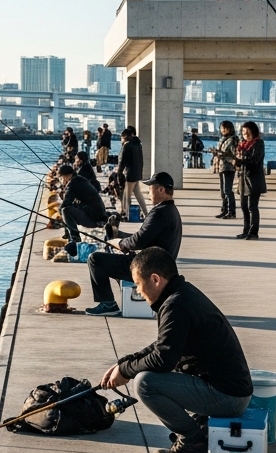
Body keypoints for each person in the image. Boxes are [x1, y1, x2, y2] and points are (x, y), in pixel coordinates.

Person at [99, 248, 253, 453]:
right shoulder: (181, 294)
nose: (138, 290)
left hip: (228, 398)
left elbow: (163, 359)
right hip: (229, 390)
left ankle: (193, 441)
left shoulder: (176, 304)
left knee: (146, 383)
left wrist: (127, 371)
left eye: (137, 283)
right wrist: (124, 363)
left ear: (154, 279)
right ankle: (199, 427)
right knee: (145, 373)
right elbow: (164, 344)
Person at [84, 172, 182, 317]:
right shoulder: (171, 211)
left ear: (161, 190)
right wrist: (120, 236)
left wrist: (121, 243)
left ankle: (108, 304)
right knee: (117, 257)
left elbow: (138, 241)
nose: (148, 191)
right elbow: (145, 237)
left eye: (150, 188)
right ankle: (120, 298)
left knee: (96, 260)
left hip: (149, 268)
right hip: (160, 265)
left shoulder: (159, 213)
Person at [57, 163, 108, 252]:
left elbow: (65, 204)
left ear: (68, 175)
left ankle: (75, 238)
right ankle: (69, 235)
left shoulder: (73, 184)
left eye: (62, 177)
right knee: (66, 210)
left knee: (65, 211)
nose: (62, 180)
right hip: (98, 215)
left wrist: (58, 217)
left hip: (94, 219)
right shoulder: (79, 180)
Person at [233, 121, 266, 240]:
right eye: (243, 132)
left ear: (253, 132)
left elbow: (255, 160)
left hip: (254, 179)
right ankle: (245, 230)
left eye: (247, 132)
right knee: (243, 206)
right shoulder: (242, 145)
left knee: (252, 206)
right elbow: (239, 162)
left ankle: (253, 232)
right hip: (243, 179)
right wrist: (235, 162)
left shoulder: (259, 143)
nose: (245, 134)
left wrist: (241, 160)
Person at [209, 120, 238, 219]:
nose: (222, 130)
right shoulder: (223, 139)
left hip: (229, 167)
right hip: (221, 166)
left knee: (228, 190)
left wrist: (222, 154)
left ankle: (231, 211)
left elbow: (235, 155)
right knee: (222, 191)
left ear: (229, 129)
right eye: (221, 128)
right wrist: (215, 153)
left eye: (224, 128)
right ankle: (224, 210)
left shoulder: (233, 140)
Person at [118, 126, 149, 217]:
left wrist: (119, 173)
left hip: (130, 173)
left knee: (126, 195)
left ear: (124, 137)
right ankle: (145, 212)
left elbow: (122, 161)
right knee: (138, 193)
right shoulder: (138, 144)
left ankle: (125, 214)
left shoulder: (127, 146)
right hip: (137, 172)